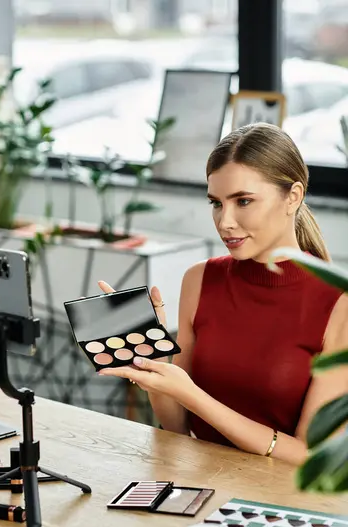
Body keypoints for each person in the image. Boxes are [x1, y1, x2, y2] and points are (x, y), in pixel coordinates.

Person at [98, 123, 348, 465]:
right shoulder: (200, 280)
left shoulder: (338, 304)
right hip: (203, 486)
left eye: (243, 201)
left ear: (293, 197)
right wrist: (156, 369)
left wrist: (192, 395)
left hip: (278, 505)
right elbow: (176, 427)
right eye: (216, 203)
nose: (225, 221)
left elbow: (310, 456)